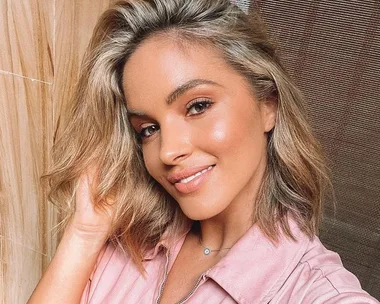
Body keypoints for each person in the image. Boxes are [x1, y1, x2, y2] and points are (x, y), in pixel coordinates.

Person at [28, 0, 379, 303]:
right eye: (148, 129)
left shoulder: (313, 290)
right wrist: (85, 233)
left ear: (268, 105)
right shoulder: (126, 245)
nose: (168, 151)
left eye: (197, 106)